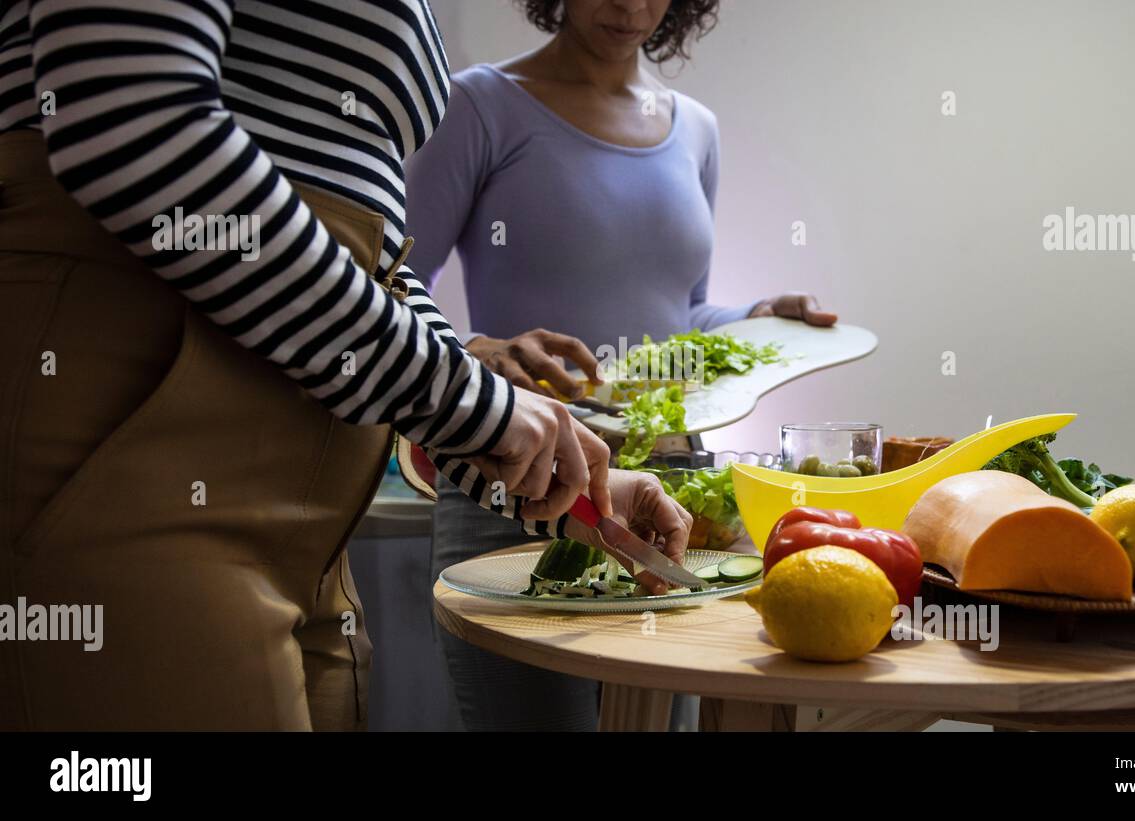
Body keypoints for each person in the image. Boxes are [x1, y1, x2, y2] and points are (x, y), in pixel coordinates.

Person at [0, 0, 688, 731]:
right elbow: (129, 109)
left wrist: (540, 464)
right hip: (132, 450)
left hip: (310, 530)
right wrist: (472, 402)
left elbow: (376, 258)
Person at [403, 0, 836, 730]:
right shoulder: (477, 105)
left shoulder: (695, 128)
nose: (630, 5)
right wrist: (478, 349)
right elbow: (386, 284)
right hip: (523, 477)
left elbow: (678, 317)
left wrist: (753, 320)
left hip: (666, 494)